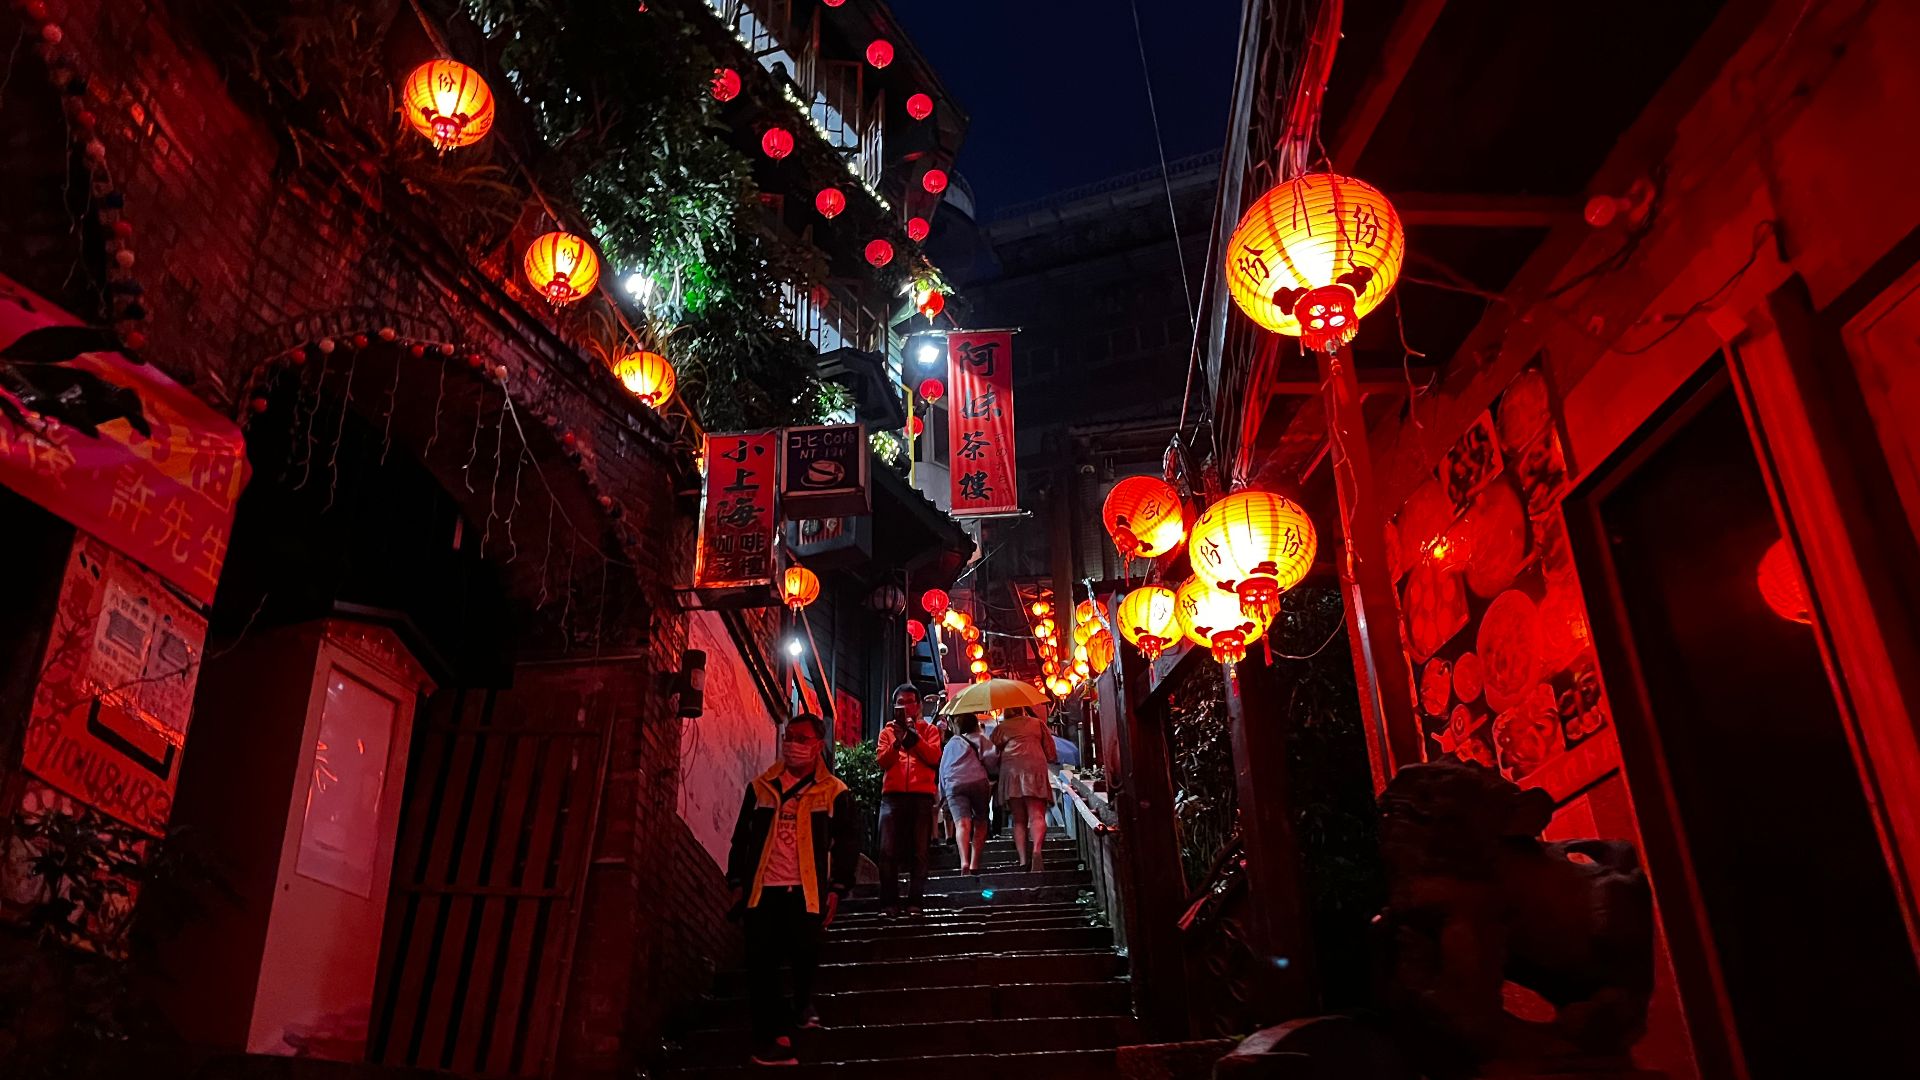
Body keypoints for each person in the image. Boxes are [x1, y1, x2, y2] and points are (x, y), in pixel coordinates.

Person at [725, 713, 860, 1067]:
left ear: (818, 746)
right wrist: (736, 882)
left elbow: (847, 843)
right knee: (761, 964)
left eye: (801, 738)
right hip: (763, 890)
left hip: (807, 890)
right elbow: (742, 838)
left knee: (805, 954)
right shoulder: (760, 788)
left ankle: (801, 1004)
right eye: (789, 736)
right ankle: (772, 1039)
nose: (792, 744)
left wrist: (838, 888)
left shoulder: (834, 793)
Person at [875, 683, 942, 915]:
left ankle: (915, 902)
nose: (905, 706)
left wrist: (913, 738)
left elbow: (934, 757)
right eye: (900, 703)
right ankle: (888, 903)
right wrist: (897, 741)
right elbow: (884, 761)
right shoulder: (887, 732)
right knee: (887, 850)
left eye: (909, 702)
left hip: (921, 796)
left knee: (920, 851)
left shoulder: (930, 731)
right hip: (892, 796)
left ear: (918, 704)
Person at [991, 705, 1059, 872]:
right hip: (1034, 768)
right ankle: (1036, 850)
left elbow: (992, 754)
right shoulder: (1037, 723)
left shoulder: (1001, 727)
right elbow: (1051, 753)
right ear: (1021, 709)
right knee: (1037, 815)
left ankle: (1022, 860)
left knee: (1019, 819)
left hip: (1011, 771)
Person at [937, 713, 996, 874]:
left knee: (961, 823)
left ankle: (964, 861)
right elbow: (992, 761)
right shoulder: (981, 738)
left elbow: (943, 769)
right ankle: (974, 863)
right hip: (978, 782)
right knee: (981, 822)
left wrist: (942, 795)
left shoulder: (950, 744)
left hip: (954, 785)